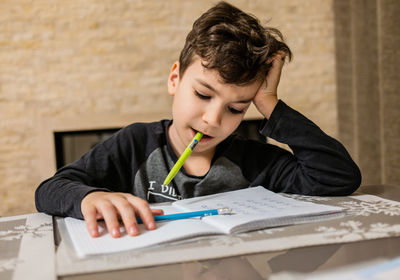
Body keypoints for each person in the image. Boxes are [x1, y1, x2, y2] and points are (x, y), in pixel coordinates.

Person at [35, 1, 361, 239]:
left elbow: (337, 177)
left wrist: (270, 104)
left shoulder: (254, 160)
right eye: (203, 95)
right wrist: (90, 197)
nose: (212, 119)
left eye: (236, 108)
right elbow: (49, 190)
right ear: (175, 79)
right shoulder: (134, 144)